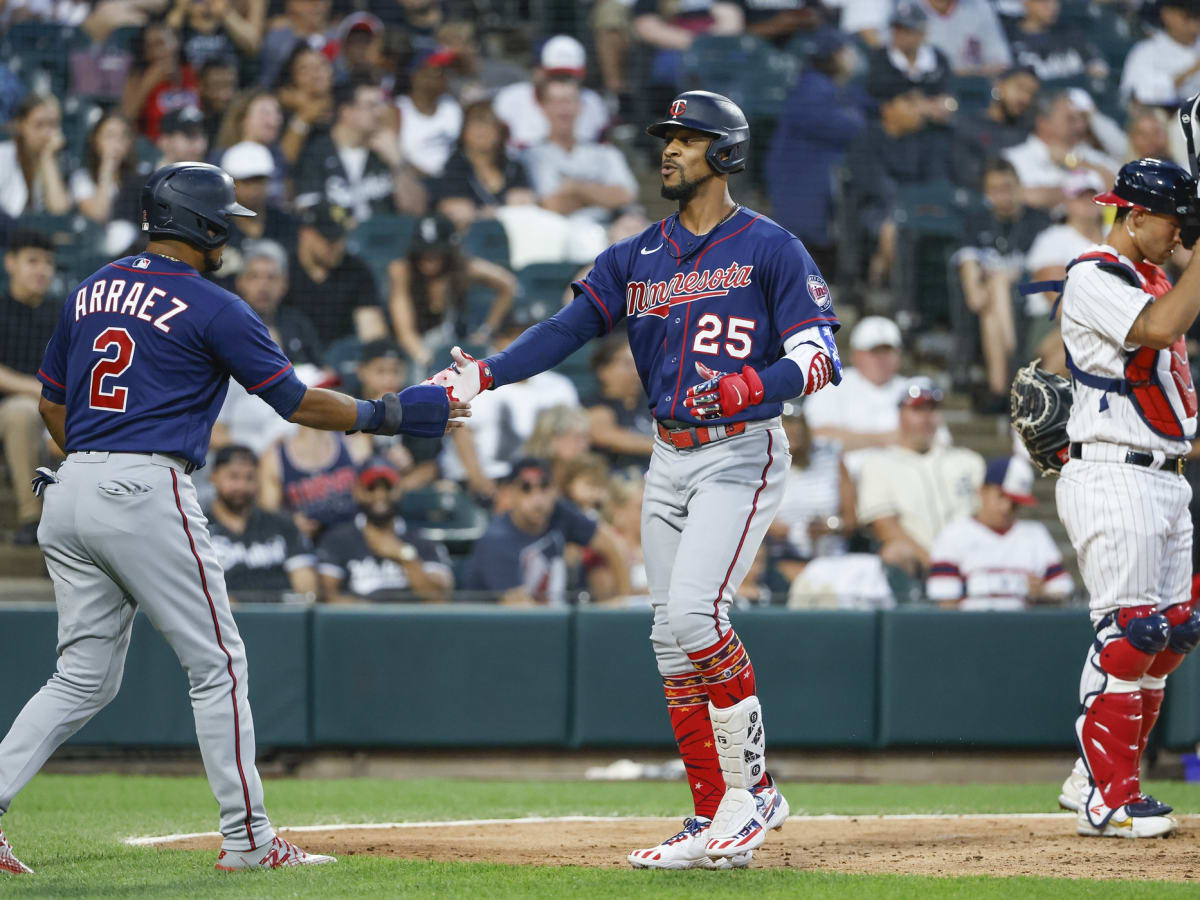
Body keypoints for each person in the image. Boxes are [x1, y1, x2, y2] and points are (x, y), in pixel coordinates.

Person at [0, 161, 463, 875]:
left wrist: (96, 460)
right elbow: (296, 402)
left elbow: (52, 405)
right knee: (217, 664)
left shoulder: (92, 289)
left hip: (69, 488)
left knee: (84, 678)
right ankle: (249, 840)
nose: (230, 236)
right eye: (225, 223)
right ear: (204, 225)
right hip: (144, 485)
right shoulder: (213, 304)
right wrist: (391, 413)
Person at [426, 90, 835, 868]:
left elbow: (821, 357)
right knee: (668, 639)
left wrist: (756, 384)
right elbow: (564, 330)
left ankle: (756, 791)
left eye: (686, 138)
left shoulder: (772, 246)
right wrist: (486, 372)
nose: (669, 150)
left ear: (725, 152)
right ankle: (713, 815)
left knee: (695, 615)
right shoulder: (638, 252)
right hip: (669, 454)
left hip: (740, 449)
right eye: (667, 138)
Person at [1049, 157, 1200, 839]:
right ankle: (1107, 798)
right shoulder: (1093, 274)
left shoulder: (1157, 273)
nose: (1177, 234)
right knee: (1132, 630)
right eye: (1171, 221)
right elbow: (1161, 328)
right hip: (1113, 471)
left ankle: (1093, 777)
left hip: (1165, 475)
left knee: (1172, 634)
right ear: (1133, 216)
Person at [765, 27, 866, 276]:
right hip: (801, 187)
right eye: (847, 51)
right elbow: (849, 127)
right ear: (835, 56)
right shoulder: (812, 87)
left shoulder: (831, 87)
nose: (853, 57)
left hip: (809, 187)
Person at [856, 380, 985, 575]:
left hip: (972, 560)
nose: (926, 417)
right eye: (917, 409)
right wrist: (937, 566)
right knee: (894, 552)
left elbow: (987, 514)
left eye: (932, 409)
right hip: (919, 566)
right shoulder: (878, 463)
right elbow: (885, 527)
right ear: (900, 414)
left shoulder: (968, 460)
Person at [462, 457, 629, 605]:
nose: (537, 498)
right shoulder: (497, 540)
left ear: (554, 490)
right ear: (510, 493)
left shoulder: (559, 513)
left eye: (544, 486)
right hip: (496, 631)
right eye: (526, 488)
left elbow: (612, 545)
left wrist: (624, 599)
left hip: (552, 621)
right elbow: (520, 610)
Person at [955, 157, 1048, 409]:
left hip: (1032, 296)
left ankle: (1000, 387)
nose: (1003, 195)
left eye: (1007, 187)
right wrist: (978, 286)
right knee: (990, 299)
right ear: (986, 193)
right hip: (995, 301)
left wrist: (999, 278)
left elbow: (1039, 268)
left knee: (997, 284)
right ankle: (1008, 379)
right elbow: (970, 274)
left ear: (1019, 186)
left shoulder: (1039, 221)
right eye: (995, 189)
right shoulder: (977, 222)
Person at [926, 455, 1072, 610]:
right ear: (982, 491)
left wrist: (1042, 593)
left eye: (1015, 502)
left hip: (1025, 629)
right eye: (1001, 496)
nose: (1006, 507)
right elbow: (945, 604)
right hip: (970, 630)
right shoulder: (953, 535)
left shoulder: (1035, 534)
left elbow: (1063, 589)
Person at [387, 213, 516, 367]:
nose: (429, 259)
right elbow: (405, 333)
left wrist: (486, 331)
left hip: (453, 343)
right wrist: (428, 362)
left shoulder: (462, 268)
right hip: (413, 351)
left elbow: (508, 284)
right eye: (423, 253)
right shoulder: (402, 271)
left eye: (435, 253)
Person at [316, 459, 453, 603]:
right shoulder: (337, 540)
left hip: (409, 622)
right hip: (358, 623)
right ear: (357, 491)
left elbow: (439, 598)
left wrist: (405, 557)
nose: (380, 495)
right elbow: (325, 597)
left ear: (399, 490)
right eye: (371, 488)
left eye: (387, 487)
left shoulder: (421, 541)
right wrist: (372, 614)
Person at [0, 229, 58, 545]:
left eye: (48, 262)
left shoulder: (63, 314)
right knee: (21, 412)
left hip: (52, 414)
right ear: (10, 263)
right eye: (32, 261)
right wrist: (37, 390)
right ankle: (31, 518)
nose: (41, 269)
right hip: (12, 413)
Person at [206, 444, 319, 603]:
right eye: (233, 476)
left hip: (280, 617)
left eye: (250, 478)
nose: (242, 486)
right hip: (222, 619)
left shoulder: (281, 524)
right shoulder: (198, 527)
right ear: (213, 477)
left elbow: (306, 587)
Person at [525, 76, 638, 226]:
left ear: (580, 106)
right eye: (556, 101)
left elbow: (625, 196)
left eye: (569, 101)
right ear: (543, 107)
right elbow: (552, 204)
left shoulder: (605, 152)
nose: (563, 109)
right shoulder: (532, 155)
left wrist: (575, 188)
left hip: (609, 228)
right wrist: (600, 195)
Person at [767, 403, 855, 586]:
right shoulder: (761, 464)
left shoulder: (830, 456)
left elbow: (851, 521)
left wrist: (831, 526)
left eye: (799, 423)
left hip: (831, 558)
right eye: (786, 423)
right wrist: (770, 528)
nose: (794, 430)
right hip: (783, 560)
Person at [295, 78, 404, 221]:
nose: (380, 112)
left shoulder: (384, 152)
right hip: (335, 239)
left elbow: (414, 210)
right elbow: (308, 209)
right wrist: (345, 224)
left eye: (381, 104)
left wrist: (399, 165)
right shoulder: (317, 153)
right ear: (346, 111)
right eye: (371, 105)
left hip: (386, 239)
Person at [284, 203, 385, 342]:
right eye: (329, 238)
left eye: (341, 237)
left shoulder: (356, 269)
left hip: (342, 357)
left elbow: (372, 332)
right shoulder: (284, 269)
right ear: (305, 234)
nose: (337, 246)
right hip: (292, 354)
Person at [492, 35, 610, 151]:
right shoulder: (510, 99)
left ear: (582, 77)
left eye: (569, 77)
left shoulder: (593, 102)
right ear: (539, 72)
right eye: (555, 75)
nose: (561, 82)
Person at [1002, 91, 1118, 211]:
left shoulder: (1087, 155)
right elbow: (1020, 196)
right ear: (1043, 123)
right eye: (1071, 119)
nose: (1081, 126)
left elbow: (1122, 190)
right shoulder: (1013, 158)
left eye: (1082, 119)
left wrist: (1073, 162)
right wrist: (1085, 191)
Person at [430, 100, 535, 230]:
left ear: (500, 131)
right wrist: (500, 213)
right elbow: (456, 210)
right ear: (463, 131)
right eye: (474, 123)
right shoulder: (454, 167)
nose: (481, 130)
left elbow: (526, 201)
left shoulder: (514, 168)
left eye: (488, 123)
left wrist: (490, 213)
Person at [951, 65, 1039, 190]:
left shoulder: (1029, 130)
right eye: (1020, 87)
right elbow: (966, 175)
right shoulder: (969, 126)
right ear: (999, 85)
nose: (1025, 98)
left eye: (1031, 93)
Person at [584, 335, 656, 471]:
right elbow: (605, 436)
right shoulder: (596, 404)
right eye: (628, 364)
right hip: (616, 479)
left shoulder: (652, 401)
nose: (637, 371)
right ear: (603, 370)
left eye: (639, 363)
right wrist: (666, 449)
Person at [396, 45, 462, 180]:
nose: (445, 77)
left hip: (451, 181)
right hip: (413, 182)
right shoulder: (398, 109)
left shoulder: (452, 107)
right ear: (416, 76)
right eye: (439, 71)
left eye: (447, 71)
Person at [0, 93, 71, 218]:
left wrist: (47, 159)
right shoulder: (3, 155)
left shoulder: (58, 160)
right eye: (39, 125)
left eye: (52, 125)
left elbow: (60, 213)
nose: (46, 133)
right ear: (21, 124)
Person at [1119, 0, 1200, 107]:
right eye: (1189, 17)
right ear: (1167, 14)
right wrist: (1191, 70)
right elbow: (1138, 96)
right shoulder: (1146, 52)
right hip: (1169, 116)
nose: (1195, 24)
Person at [70, 112, 137, 226]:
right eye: (110, 136)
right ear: (96, 140)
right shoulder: (82, 177)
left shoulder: (140, 174)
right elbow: (98, 215)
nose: (117, 143)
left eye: (123, 136)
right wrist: (107, 168)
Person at [920, 0, 1012, 76]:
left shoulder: (980, 7)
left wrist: (965, 74)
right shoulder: (909, 8)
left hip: (972, 87)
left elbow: (1002, 63)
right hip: (926, 87)